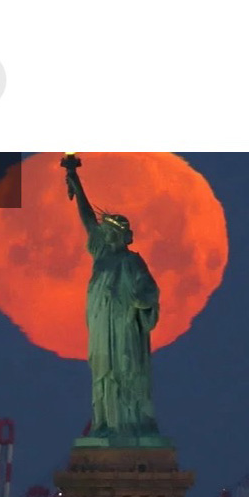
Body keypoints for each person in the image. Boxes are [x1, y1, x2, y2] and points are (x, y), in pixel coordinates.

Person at [64, 158, 160, 438]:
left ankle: (129, 424)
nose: (103, 235)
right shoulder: (103, 255)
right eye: (103, 232)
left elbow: (149, 292)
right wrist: (75, 181)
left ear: (119, 235)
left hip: (124, 327)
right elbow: (86, 219)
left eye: (109, 232)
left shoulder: (132, 262)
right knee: (103, 373)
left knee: (125, 371)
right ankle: (105, 423)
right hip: (100, 325)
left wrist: (140, 301)